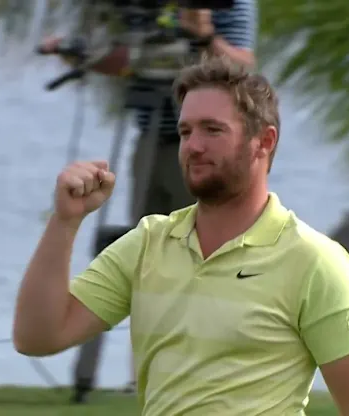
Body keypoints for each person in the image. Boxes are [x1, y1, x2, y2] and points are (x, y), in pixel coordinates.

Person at [13, 55, 349, 415]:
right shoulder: (147, 244)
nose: (193, 146)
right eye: (185, 131)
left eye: (213, 129)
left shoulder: (316, 262)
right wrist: (65, 222)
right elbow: (37, 337)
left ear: (264, 141)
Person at [40, 0, 257, 402]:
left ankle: (214, 374)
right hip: (150, 139)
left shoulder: (226, 6)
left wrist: (205, 36)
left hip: (209, 147)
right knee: (151, 258)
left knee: (209, 258)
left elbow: (243, 67)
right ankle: (144, 376)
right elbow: (132, 60)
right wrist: (83, 53)